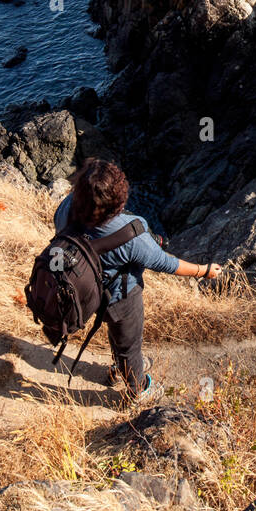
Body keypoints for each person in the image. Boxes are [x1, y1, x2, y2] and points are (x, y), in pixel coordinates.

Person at [53, 158, 219, 400]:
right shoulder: (131, 231)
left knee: (117, 332)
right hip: (121, 297)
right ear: (118, 201)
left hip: (85, 290)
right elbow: (166, 263)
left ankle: (119, 367)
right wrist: (203, 271)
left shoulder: (66, 207)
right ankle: (138, 388)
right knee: (129, 341)